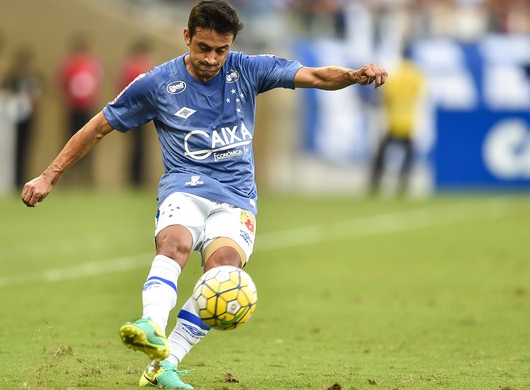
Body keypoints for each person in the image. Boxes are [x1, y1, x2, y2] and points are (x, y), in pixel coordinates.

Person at [21, 1, 387, 389]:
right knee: (175, 243)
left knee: (224, 273)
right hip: (186, 187)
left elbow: (315, 75)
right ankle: (151, 324)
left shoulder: (248, 69)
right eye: (204, 48)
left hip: (236, 196)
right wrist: (49, 176)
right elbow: (96, 128)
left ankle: (165, 365)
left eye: (221, 50)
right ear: (186, 37)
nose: (213, 59)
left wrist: (354, 75)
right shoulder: (156, 83)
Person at [369, 47, 424, 197]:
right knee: (409, 157)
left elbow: (385, 96)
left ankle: (375, 184)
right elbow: (419, 96)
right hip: (408, 123)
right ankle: (403, 186)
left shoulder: (396, 75)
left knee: (381, 155)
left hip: (393, 122)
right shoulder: (416, 76)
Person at [56, 34, 103, 185]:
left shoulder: (92, 64)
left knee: (90, 140)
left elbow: (96, 85)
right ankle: (69, 176)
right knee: (71, 141)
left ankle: (86, 176)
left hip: (87, 109)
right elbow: (63, 84)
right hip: (73, 109)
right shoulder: (70, 64)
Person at [2, 47, 44, 188]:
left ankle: (22, 178)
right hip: (13, 120)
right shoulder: (13, 78)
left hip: (28, 118)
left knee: (25, 149)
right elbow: (5, 94)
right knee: (13, 149)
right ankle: (13, 179)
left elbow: (39, 95)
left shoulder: (33, 78)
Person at [117, 39, 155, 188]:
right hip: (138, 111)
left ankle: (137, 178)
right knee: (138, 146)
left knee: (138, 146)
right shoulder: (140, 66)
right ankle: (136, 179)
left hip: (134, 111)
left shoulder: (128, 65)